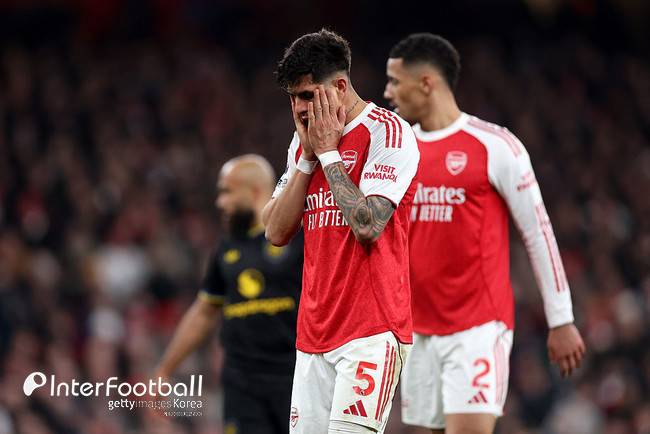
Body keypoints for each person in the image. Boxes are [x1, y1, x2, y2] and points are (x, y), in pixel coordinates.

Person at [383, 33, 586, 434]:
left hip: (476, 327)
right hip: (416, 332)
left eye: (395, 81)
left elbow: (537, 231)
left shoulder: (495, 145)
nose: (387, 92)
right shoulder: (397, 152)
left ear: (426, 83)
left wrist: (561, 318)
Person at [263, 29, 420, 434]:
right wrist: (307, 159)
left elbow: (367, 225)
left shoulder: (388, 132)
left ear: (339, 87)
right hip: (313, 336)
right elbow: (275, 231)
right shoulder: (303, 144)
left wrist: (329, 153)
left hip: (371, 332)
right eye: (293, 98)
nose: (299, 109)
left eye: (307, 95)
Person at [155, 154, 303, 434]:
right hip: (241, 383)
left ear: (254, 192)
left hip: (294, 377)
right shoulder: (226, 249)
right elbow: (204, 313)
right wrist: (165, 368)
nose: (220, 202)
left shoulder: (297, 238)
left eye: (227, 192)